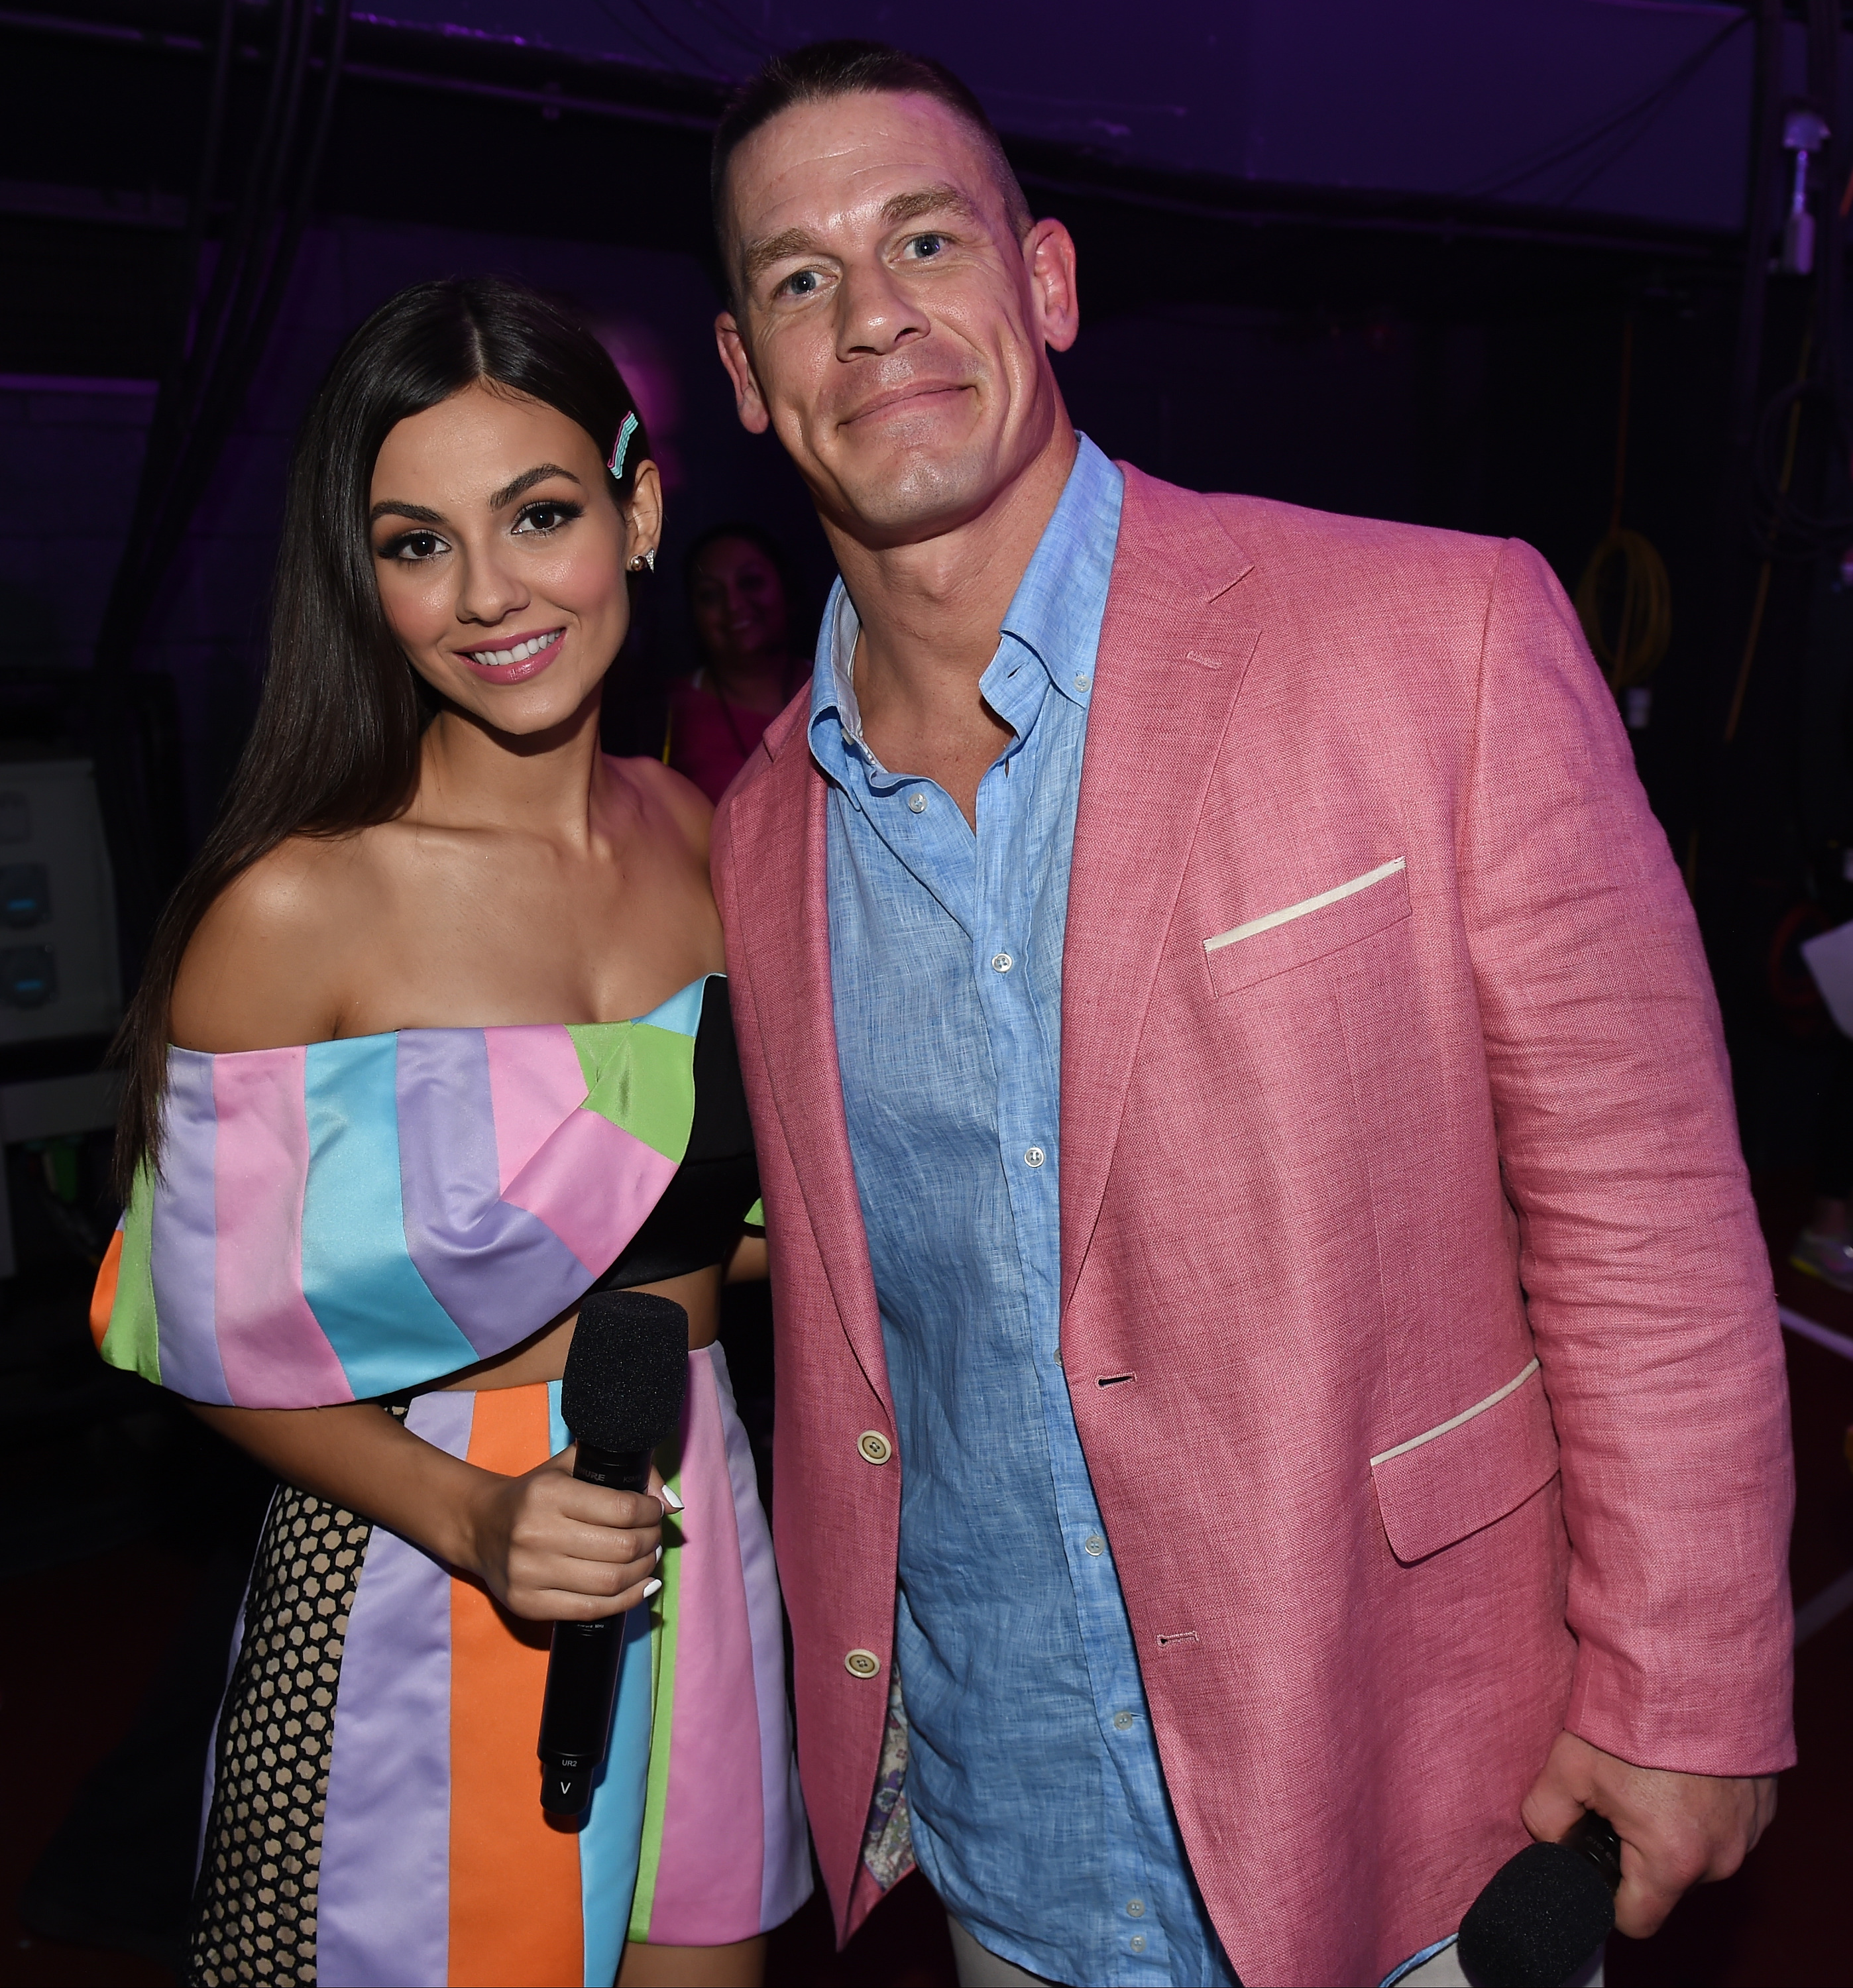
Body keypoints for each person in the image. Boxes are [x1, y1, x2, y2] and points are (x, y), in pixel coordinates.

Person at [702, 40, 1795, 1988]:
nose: (869, 313)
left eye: (923, 239)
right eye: (801, 276)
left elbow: (1640, 1215)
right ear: (742, 374)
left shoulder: (1436, 636)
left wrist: (1686, 1683)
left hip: (1415, 1801)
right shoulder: (760, 826)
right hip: (1009, 1841)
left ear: (1044, 282)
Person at [89, 277, 809, 1988]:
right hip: (422, 1568)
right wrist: (474, 1520)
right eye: (418, 544)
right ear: (364, 578)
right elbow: (191, 1327)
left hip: (698, 1519)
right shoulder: (296, 911)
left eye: (539, 515)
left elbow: (704, 1221)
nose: (488, 594)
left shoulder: (708, 838)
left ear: (637, 510)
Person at [668, 523, 811, 803]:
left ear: (787, 587)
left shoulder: (843, 689)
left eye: (750, 582)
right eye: (710, 595)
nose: (733, 605)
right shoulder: (667, 714)